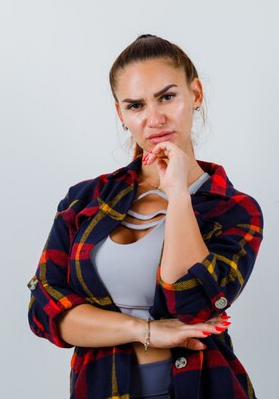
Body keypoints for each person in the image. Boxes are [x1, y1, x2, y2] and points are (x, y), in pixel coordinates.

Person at [26, 34, 264, 399]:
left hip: (201, 387)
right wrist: (147, 331)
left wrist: (179, 195)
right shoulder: (84, 200)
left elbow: (193, 306)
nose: (154, 119)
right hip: (101, 388)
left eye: (167, 97)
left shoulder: (234, 210)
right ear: (121, 114)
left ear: (195, 95)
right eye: (135, 105)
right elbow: (45, 311)